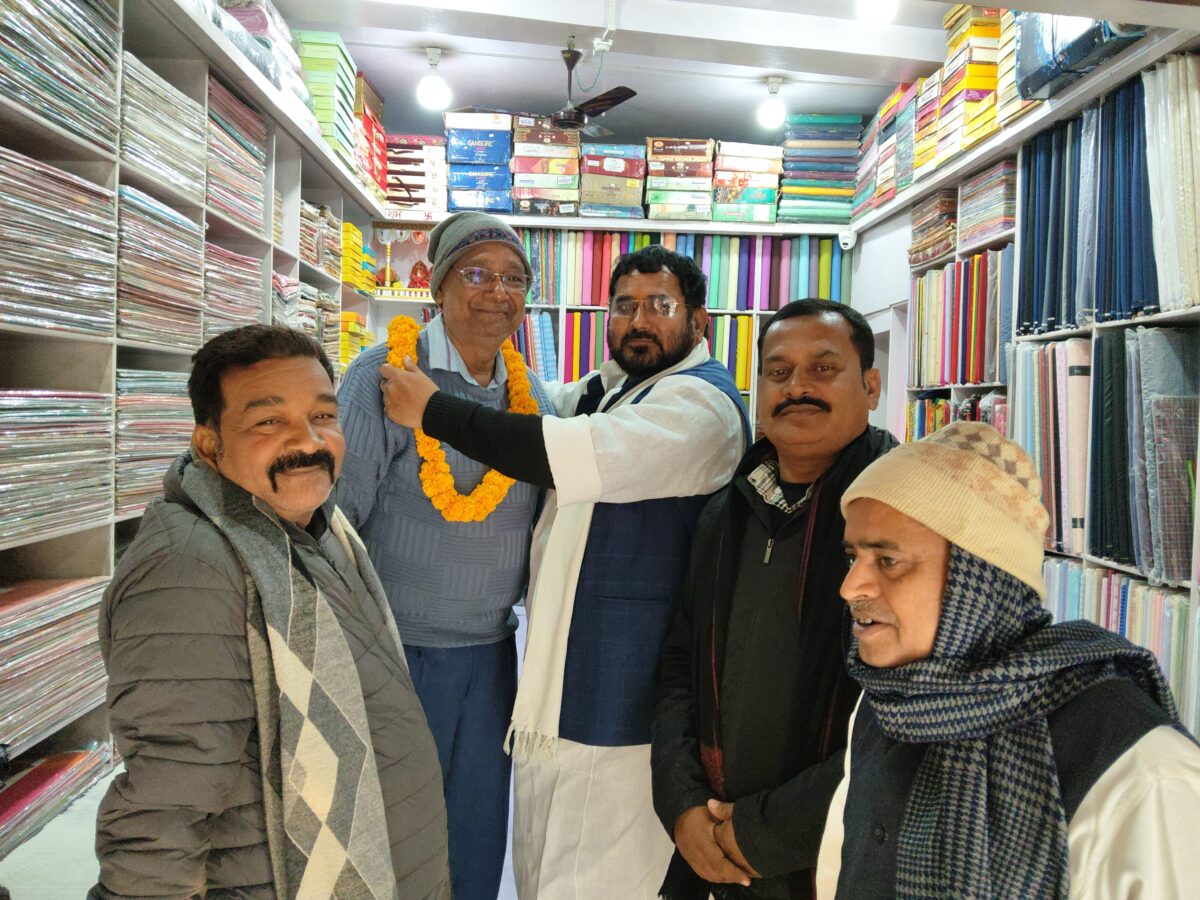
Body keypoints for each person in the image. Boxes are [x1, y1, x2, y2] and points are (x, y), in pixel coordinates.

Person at [377, 244, 749, 899]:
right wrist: (474, 355)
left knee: (601, 881)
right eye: (624, 306)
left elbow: (556, 449)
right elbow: (526, 405)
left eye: (659, 306)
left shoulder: (702, 409)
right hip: (558, 690)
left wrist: (432, 410)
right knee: (542, 872)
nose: (639, 320)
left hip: (624, 704)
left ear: (699, 321)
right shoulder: (609, 389)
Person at [92, 326, 449, 899]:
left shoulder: (316, 530)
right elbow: (164, 808)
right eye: (268, 421)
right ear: (208, 445)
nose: (307, 440)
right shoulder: (189, 569)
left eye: (323, 416)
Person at [817, 421, 1200, 899]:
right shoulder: (885, 705)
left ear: (979, 581)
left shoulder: (1141, 771)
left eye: (888, 561)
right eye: (852, 557)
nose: (849, 587)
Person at [336, 211, 554, 900]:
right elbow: (336, 520)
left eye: (514, 279)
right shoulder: (382, 377)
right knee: (394, 837)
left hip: (492, 659)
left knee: (476, 837)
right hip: (396, 654)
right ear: (438, 283)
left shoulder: (530, 397)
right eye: (478, 273)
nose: (498, 292)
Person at [652, 298, 896, 900]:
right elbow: (680, 665)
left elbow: (913, 718)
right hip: (713, 851)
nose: (798, 387)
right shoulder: (725, 514)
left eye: (823, 368)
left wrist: (763, 835)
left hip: (837, 860)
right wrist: (683, 806)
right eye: (779, 372)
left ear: (871, 386)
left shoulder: (906, 526)